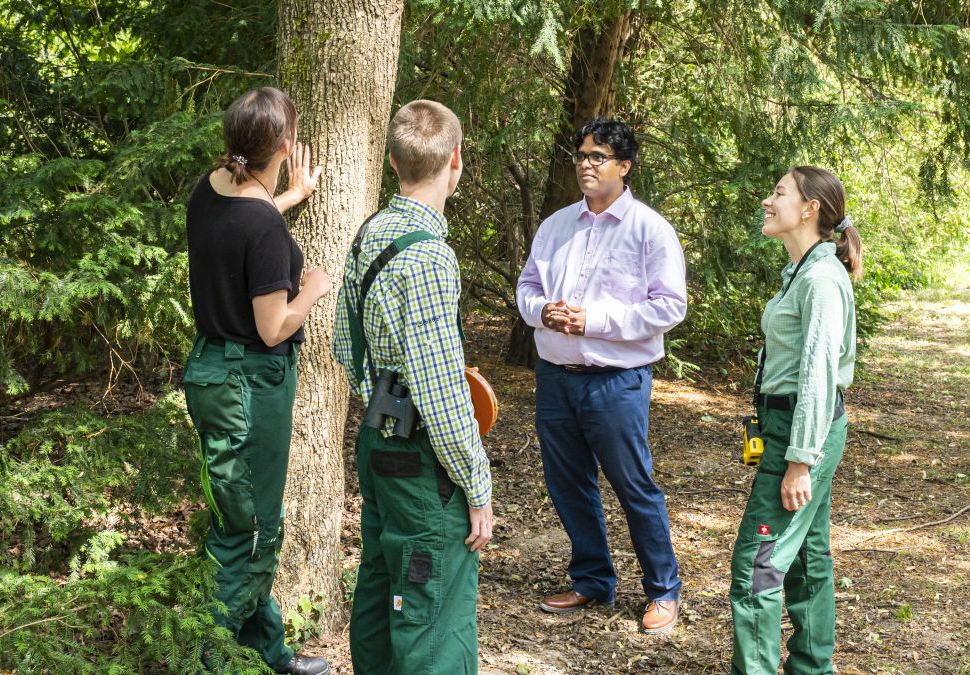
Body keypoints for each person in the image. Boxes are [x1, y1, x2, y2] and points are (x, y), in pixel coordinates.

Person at [333, 99, 493, 674]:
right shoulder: (429, 257)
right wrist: (476, 483)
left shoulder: (371, 233)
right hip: (423, 462)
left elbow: (345, 348)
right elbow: (442, 390)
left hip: (377, 439)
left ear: (393, 162)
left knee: (381, 590)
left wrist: (380, 398)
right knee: (433, 612)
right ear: (455, 159)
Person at [516, 117, 687, 635]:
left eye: (598, 157)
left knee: (633, 484)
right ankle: (592, 579)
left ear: (625, 166)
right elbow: (527, 287)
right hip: (556, 376)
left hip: (617, 381)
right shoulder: (556, 226)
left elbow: (670, 307)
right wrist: (543, 311)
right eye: (581, 155)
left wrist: (597, 320)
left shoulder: (649, 230)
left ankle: (662, 591)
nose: (586, 164)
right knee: (567, 483)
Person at [182, 86, 331, 675]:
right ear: (286, 145)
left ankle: (270, 654)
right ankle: (210, 659)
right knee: (251, 533)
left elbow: (239, 228)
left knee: (237, 521)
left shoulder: (210, 189)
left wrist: (289, 196)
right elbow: (273, 327)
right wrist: (312, 289)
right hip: (250, 383)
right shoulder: (263, 227)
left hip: (213, 371)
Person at [729, 166, 863, 674]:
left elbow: (817, 378)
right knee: (806, 557)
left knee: (756, 566)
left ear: (810, 209)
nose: (767, 200)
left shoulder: (822, 281)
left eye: (778, 192)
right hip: (793, 427)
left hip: (803, 432)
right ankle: (812, 668)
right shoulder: (804, 273)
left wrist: (800, 461)